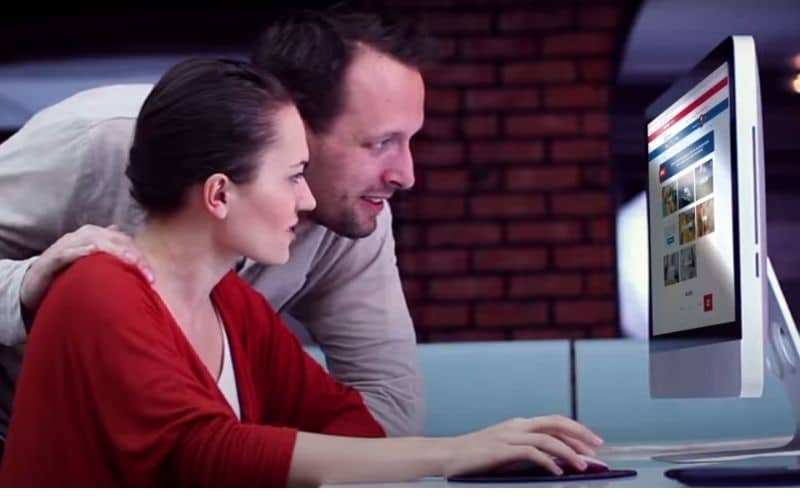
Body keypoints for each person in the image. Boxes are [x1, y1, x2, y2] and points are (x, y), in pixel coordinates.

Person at [0, 58, 603, 487]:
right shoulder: (99, 287)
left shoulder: (230, 302)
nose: (308, 201)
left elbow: (352, 420)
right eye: (292, 177)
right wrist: (454, 452)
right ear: (218, 195)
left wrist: (453, 454)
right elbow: (201, 452)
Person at [0, 8, 430, 442]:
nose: (406, 175)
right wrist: (27, 285)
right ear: (289, 120)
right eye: (380, 143)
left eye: (410, 140)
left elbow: (385, 406)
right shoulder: (102, 139)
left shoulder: (348, 220)